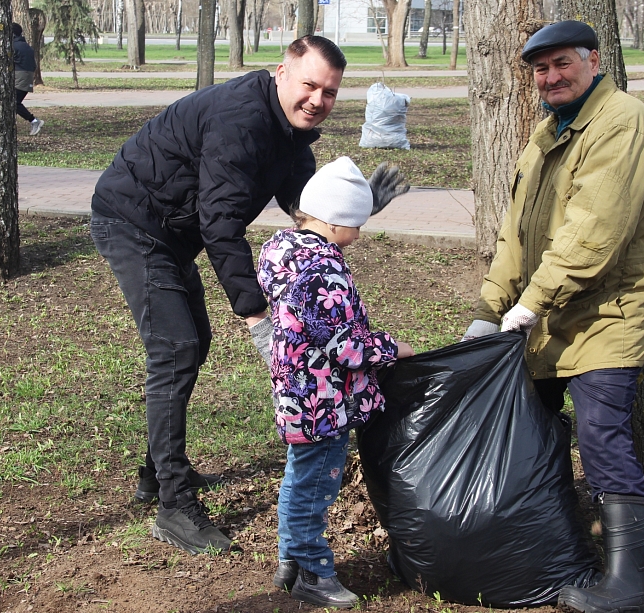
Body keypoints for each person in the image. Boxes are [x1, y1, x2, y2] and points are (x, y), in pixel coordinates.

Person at [90, 36, 408, 556]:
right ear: (281, 71)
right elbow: (220, 225)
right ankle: (173, 504)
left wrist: (359, 205)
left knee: (191, 342)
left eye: (329, 92)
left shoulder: (290, 133)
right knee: (177, 349)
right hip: (133, 221)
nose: (317, 100)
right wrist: (260, 321)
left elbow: (307, 210)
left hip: (172, 231)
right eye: (309, 85)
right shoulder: (241, 121)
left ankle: (157, 471)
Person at [462, 21, 644, 613]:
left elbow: (594, 234)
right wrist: (490, 307)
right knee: (533, 433)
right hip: (551, 313)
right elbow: (515, 233)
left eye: (562, 64)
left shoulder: (622, 122)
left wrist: (529, 304)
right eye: (541, 69)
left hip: (610, 309)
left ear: (594, 60)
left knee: (601, 435)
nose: (551, 77)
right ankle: (554, 552)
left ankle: (627, 586)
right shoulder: (546, 134)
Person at [256, 157, 415, 609]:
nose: (360, 235)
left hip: (297, 395)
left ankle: (290, 560)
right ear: (334, 221)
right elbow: (346, 348)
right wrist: (391, 348)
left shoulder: (283, 251)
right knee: (315, 489)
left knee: (298, 479)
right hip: (324, 401)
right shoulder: (323, 271)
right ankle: (313, 572)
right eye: (356, 224)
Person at [12, 23, 43, 136]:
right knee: (13, 103)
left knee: (14, 102)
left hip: (20, 77)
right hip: (26, 76)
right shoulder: (26, 46)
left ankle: (34, 121)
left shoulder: (14, 46)